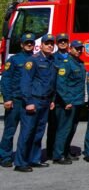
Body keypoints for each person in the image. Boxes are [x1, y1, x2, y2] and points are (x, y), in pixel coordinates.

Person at [14, 33, 57, 172]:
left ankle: (34, 159)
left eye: (52, 43)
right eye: (47, 43)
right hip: (34, 101)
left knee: (39, 132)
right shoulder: (33, 60)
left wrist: (52, 100)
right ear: (41, 45)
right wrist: (28, 101)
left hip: (45, 102)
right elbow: (25, 82)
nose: (50, 45)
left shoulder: (52, 60)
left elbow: (51, 83)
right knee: (27, 132)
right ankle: (20, 162)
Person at [0, 33, 35, 168]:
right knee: (10, 131)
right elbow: (6, 80)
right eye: (27, 43)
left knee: (27, 132)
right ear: (21, 44)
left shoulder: (36, 59)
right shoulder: (14, 60)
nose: (29, 45)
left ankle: (24, 157)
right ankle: (5, 156)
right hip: (15, 101)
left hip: (29, 101)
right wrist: (7, 98)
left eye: (31, 43)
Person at [51, 39, 86, 164]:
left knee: (71, 129)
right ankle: (58, 156)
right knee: (64, 129)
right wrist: (67, 101)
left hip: (77, 102)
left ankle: (66, 152)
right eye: (77, 48)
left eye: (81, 48)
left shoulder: (80, 63)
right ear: (70, 49)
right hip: (68, 103)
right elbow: (61, 84)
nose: (79, 50)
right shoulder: (66, 63)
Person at [46, 33, 69, 160]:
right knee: (54, 127)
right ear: (57, 43)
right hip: (56, 98)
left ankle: (64, 151)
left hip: (67, 98)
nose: (63, 43)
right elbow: (52, 80)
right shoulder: (52, 58)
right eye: (60, 41)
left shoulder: (71, 58)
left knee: (66, 128)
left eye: (65, 41)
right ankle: (50, 151)